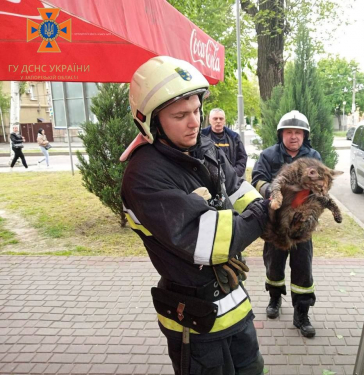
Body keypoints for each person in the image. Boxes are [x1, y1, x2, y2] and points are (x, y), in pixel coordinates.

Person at [120, 56, 269, 375]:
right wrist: (265, 215)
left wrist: (275, 210)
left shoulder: (203, 146)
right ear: (151, 121)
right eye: (180, 115)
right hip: (195, 324)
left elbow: (238, 189)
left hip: (235, 304)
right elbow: (211, 243)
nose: (193, 122)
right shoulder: (144, 177)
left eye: (196, 111)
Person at [251, 110, 321, 338]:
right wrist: (273, 191)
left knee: (303, 269)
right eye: (289, 132)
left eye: (298, 133)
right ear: (281, 134)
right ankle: (274, 298)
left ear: (304, 135)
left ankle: (302, 313)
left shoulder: (313, 156)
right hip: (275, 224)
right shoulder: (269, 155)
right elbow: (257, 179)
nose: (293, 137)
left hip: (302, 225)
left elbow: (321, 182)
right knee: (274, 265)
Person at [201, 108, 248, 177]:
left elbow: (242, 158)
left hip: (231, 180)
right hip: (208, 180)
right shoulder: (202, 136)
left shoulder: (234, 137)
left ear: (224, 121)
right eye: (215, 118)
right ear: (210, 120)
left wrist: (233, 174)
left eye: (221, 118)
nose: (218, 121)